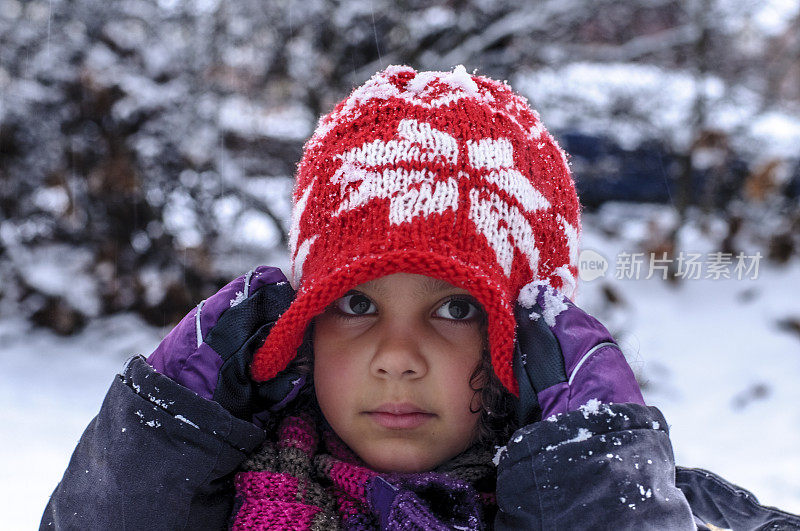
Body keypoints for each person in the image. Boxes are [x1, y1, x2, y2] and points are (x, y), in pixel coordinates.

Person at [41, 65, 800, 530]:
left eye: (457, 307)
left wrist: (596, 488)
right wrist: (160, 439)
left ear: (534, 345)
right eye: (357, 303)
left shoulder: (617, 503)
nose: (397, 359)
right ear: (298, 325)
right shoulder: (205, 495)